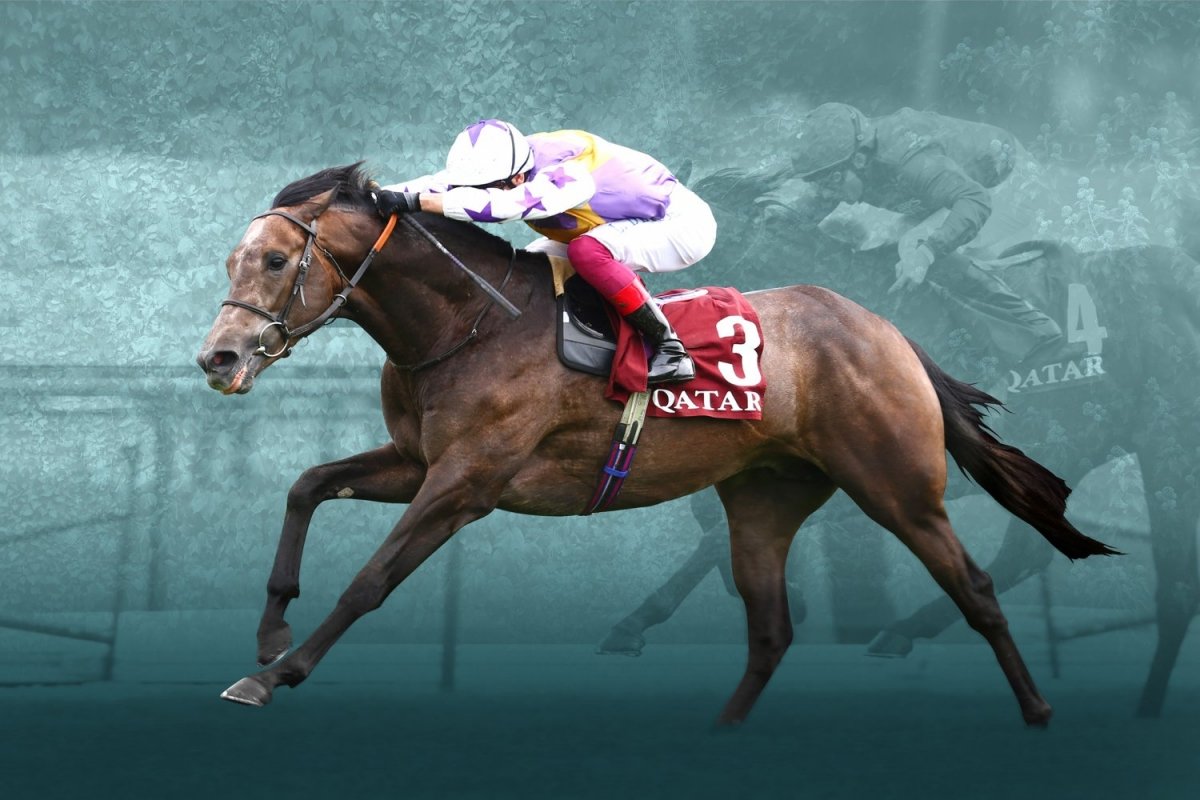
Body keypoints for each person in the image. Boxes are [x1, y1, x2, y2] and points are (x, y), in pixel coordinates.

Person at [374, 119, 717, 384]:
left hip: (679, 224)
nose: (472, 193)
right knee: (529, 270)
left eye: (483, 189)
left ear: (518, 178)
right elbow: (438, 184)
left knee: (588, 252)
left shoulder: (567, 172)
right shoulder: (504, 163)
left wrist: (419, 202)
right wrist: (372, 197)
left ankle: (670, 348)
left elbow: (506, 206)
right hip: (611, 224)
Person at [793, 102, 1070, 367]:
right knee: (889, 240)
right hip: (956, 190)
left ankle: (1036, 330)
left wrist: (927, 253)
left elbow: (976, 201)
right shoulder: (847, 162)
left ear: (860, 159)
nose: (825, 194)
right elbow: (804, 213)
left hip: (1009, 187)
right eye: (818, 183)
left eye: (831, 182)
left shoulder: (907, 160)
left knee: (914, 245)